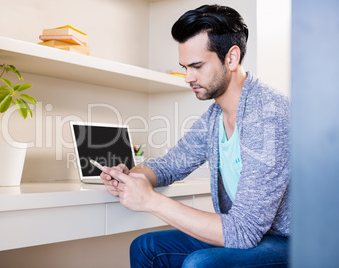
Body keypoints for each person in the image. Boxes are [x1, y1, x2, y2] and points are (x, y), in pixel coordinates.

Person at [100, 4, 290, 268]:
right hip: (256, 234)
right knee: (146, 248)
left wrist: (151, 201)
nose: (188, 77)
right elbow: (170, 165)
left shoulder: (269, 116)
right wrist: (131, 176)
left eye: (197, 66)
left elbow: (243, 233)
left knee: (200, 263)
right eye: (184, 66)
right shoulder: (215, 117)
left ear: (231, 58)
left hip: (293, 241)